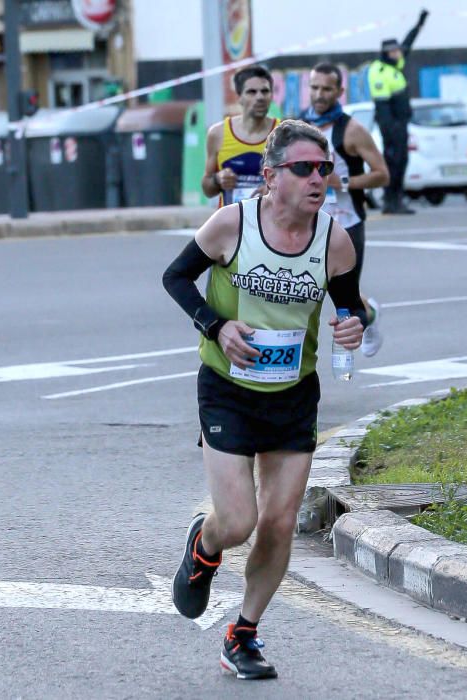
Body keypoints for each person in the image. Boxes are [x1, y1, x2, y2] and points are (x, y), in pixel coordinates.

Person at [163, 120, 366, 680]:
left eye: (323, 168)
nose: (317, 178)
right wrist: (216, 325)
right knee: (237, 521)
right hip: (228, 392)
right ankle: (204, 550)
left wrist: (351, 325)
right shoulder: (233, 224)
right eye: (303, 168)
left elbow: (350, 307)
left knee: (278, 524)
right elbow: (176, 278)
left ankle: (243, 634)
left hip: (293, 396)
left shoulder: (335, 239)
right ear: (272, 175)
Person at [302, 62, 390, 357]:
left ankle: (369, 315)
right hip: (308, 222)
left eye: (327, 88)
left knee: (344, 297)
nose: (319, 94)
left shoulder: (352, 130)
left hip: (347, 222)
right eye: (315, 87)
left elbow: (382, 174)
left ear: (339, 91)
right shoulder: (299, 127)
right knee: (308, 291)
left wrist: (343, 182)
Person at [368, 9, 429, 214]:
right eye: (393, 52)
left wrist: (419, 24)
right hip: (391, 125)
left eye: (397, 51)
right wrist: (392, 129)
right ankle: (390, 201)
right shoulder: (379, 71)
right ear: (386, 53)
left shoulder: (395, 65)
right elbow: (382, 106)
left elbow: (408, 43)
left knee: (402, 161)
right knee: (393, 161)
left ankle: (398, 199)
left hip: (401, 123)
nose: (398, 53)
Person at [201, 65, 279, 207]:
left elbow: (296, 183)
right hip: (232, 226)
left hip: (271, 225)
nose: (260, 97)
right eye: (251, 92)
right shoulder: (218, 134)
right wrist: (218, 180)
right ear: (239, 97)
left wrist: (273, 190)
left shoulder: (283, 133)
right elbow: (207, 189)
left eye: (265, 91)